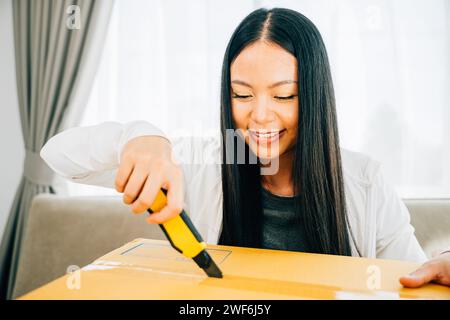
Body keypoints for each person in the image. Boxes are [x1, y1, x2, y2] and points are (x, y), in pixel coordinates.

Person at [40, 8, 446, 287]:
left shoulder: (365, 180)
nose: (261, 117)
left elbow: (411, 276)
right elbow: (58, 156)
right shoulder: (203, 163)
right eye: (242, 95)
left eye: (284, 95)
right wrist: (142, 138)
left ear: (315, 97)